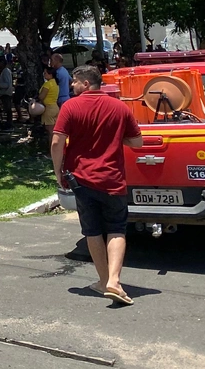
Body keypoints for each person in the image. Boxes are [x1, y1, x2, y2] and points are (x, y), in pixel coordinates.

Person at [51, 66, 143, 306]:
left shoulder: (70, 107)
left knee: (92, 231)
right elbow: (137, 141)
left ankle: (104, 281)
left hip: (81, 180)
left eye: (75, 82)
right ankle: (114, 280)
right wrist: (114, 137)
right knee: (116, 229)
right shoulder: (120, 108)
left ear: (86, 84)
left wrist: (57, 170)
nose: (72, 86)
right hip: (113, 180)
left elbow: (57, 141)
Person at [36, 66, 61, 148]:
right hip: (55, 107)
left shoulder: (48, 84)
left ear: (50, 74)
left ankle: (52, 151)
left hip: (48, 109)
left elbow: (41, 96)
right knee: (54, 130)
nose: (44, 74)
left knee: (50, 132)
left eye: (45, 73)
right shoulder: (55, 83)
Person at [0, 59, 15, 129]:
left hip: (6, 93)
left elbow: (7, 84)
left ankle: (9, 124)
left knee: (8, 109)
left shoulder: (6, 71)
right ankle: (8, 123)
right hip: (4, 93)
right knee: (7, 109)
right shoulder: (4, 71)